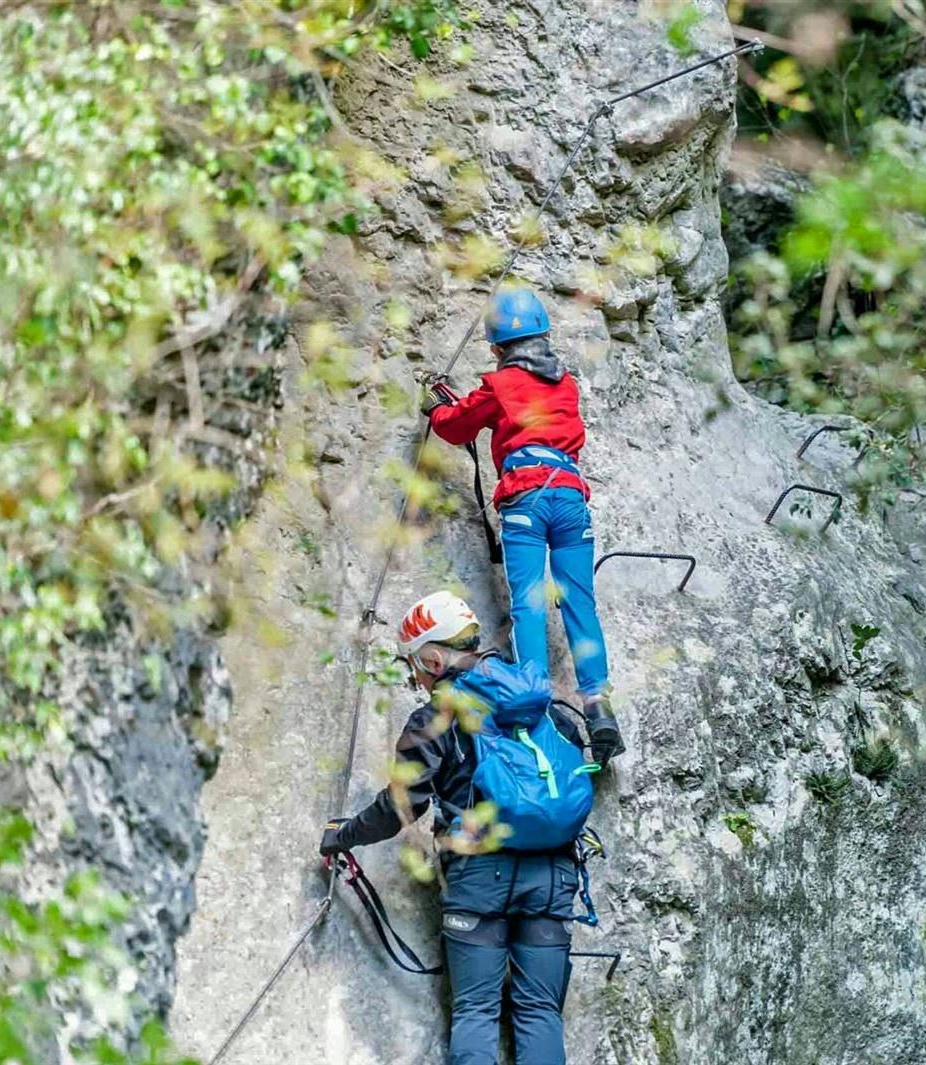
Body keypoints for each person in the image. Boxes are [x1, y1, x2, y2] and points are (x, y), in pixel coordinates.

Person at [320, 591, 588, 1065]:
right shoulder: (539, 703)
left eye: (416, 666)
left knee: (476, 1013)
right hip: (553, 874)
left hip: (480, 878)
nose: (417, 678)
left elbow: (402, 806)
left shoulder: (437, 718)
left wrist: (343, 836)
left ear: (435, 657)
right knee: (541, 1012)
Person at [421, 287, 623, 763]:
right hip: (571, 498)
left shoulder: (500, 386)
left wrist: (435, 407)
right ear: (545, 337)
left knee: (529, 605)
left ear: (496, 348)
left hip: (526, 502)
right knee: (579, 602)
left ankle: (538, 704)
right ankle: (598, 705)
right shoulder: (567, 383)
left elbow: (456, 427)